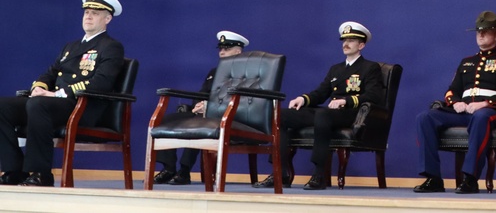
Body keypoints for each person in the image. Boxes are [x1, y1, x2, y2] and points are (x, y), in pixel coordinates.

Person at [0, 0, 125, 187]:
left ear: (107, 19)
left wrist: (56, 93)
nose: (89, 17)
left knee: (38, 105)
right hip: (53, 105)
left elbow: (102, 82)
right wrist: (38, 87)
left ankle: (41, 173)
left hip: (81, 106)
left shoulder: (111, 46)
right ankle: (14, 169)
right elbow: (50, 72)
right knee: (3, 106)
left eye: (95, 13)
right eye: (86, 12)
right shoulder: (70, 47)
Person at [253, 21, 384, 191]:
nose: (346, 44)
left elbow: (374, 95)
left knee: (323, 115)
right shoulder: (335, 69)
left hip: (352, 113)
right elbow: (321, 93)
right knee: (283, 115)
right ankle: (280, 171)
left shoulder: (370, 67)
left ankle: (319, 173)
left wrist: (346, 101)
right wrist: (303, 99)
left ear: (361, 45)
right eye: (344, 40)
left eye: (351, 40)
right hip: (331, 112)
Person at [413, 11, 496, 195]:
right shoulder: (466, 62)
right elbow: (451, 90)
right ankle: (433, 178)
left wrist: (485, 104)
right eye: (478, 31)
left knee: (481, 118)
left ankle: (470, 179)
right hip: (463, 111)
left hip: (490, 112)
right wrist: (455, 102)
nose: (480, 35)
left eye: (486, 31)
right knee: (425, 117)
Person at [152, 30, 249, 185]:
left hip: (229, 116)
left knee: (199, 123)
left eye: (227, 49)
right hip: (203, 113)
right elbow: (202, 93)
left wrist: (209, 107)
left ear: (238, 51)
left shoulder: (248, 73)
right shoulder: (214, 72)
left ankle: (184, 171)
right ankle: (168, 168)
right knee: (164, 120)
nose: (222, 52)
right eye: (221, 49)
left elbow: (243, 101)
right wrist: (197, 104)